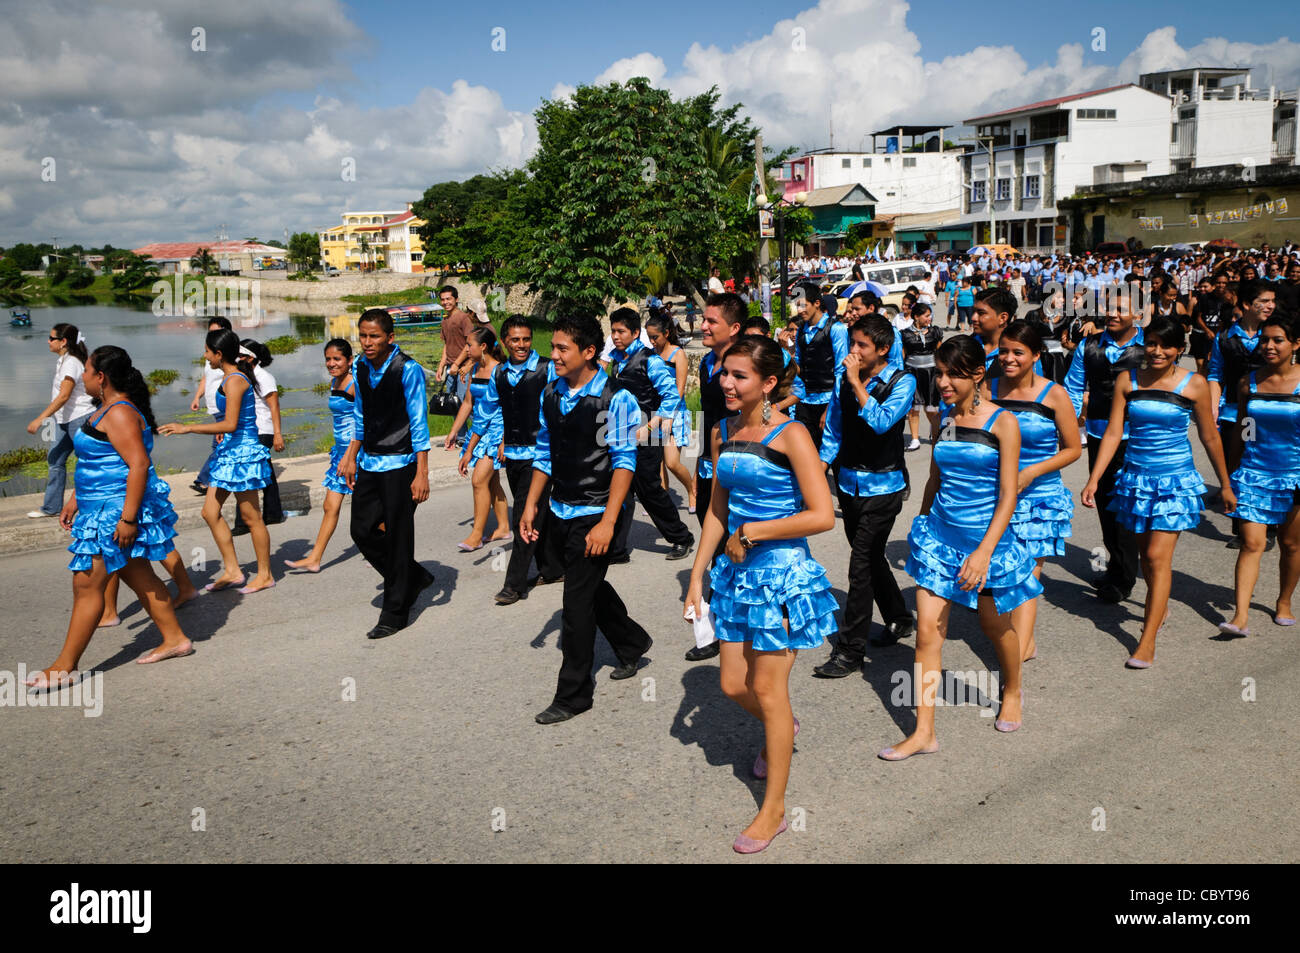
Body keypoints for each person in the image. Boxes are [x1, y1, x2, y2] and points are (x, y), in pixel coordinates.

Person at [684, 334, 836, 853]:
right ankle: (782, 725)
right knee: (731, 685)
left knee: (769, 691)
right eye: (724, 372)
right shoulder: (725, 428)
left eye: (739, 375)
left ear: (768, 383)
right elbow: (716, 510)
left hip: (782, 575)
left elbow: (822, 515)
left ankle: (772, 812)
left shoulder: (793, 434)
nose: (725, 382)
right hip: (733, 576)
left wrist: (755, 533)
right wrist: (697, 574)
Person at [882, 335, 1039, 760]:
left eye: (952, 373)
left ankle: (1013, 689)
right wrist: (921, 520)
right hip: (941, 540)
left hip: (986, 544)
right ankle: (924, 732)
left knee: (995, 627)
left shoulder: (1002, 422)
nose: (942, 381)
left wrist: (985, 552)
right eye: (939, 372)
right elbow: (935, 477)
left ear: (976, 374)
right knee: (928, 635)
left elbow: (1008, 494)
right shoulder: (946, 419)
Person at [26, 346, 193, 688]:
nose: (83, 378)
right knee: (139, 575)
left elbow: (138, 465)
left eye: (86, 372)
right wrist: (75, 498)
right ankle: (175, 639)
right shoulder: (107, 409)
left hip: (112, 513)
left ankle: (63, 667)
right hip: (97, 506)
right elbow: (95, 462)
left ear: (100, 377)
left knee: (86, 586)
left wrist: (129, 520)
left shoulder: (118, 413)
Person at [520, 314, 653, 724]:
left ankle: (574, 694)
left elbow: (624, 462)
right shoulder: (552, 394)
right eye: (553, 347)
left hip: (597, 512)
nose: (554, 355)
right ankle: (631, 642)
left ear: (589, 353)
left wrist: (609, 523)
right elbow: (544, 451)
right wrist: (530, 504)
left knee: (575, 609)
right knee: (588, 587)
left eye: (563, 349)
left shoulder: (616, 399)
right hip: (561, 507)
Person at [1083, 316, 1234, 667]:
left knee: (1155, 558)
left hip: (1175, 482)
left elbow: (1209, 437)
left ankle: (1147, 639)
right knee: (1147, 558)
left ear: (1180, 350)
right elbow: (1112, 433)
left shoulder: (1194, 384)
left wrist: (1225, 484)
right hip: (1134, 480)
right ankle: (1158, 607)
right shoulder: (1127, 379)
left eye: (1166, 345)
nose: (1156, 351)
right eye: (1151, 343)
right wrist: (1094, 479)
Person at [815, 315, 916, 677]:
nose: (853, 351)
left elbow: (881, 421)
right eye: (852, 343)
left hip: (883, 489)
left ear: (883, 349)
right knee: (871, 559)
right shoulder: (845, 379)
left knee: (859, 568)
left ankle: (850, 651)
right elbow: (835, 429)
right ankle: (900, 617)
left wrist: (857, 382)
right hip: (848, 484)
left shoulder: (903, 381)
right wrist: (818, 470)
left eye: (862, 346)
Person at [335, 309, 434, 640]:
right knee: (361, 530)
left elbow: (419, 424)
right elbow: (360, 415)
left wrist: (422, 473)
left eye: (374, 336)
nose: (367, 342)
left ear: (390, 338)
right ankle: (412, 575)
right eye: (363, 335)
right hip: (369, 461)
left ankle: (395, 611)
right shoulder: (360, 367)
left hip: (402, 464)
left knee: (398, 536)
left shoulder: (408, 369)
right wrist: (350, 456)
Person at [985, 321, 1081, 662]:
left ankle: (1018, 661)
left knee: (1026, 575)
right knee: (1005, 575)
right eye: (1004, 351)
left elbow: (1072, 449)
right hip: (994, 497)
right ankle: (1017, 642)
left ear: (1036, 356)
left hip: (1039, 498)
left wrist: (1032, 471)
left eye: (1018, 352)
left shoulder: (1053, 393)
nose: (1009, 358)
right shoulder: (987, 388)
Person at [159, 330, 274, 595]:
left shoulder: (235, 380)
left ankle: (265, 574)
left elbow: (232, 423)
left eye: (208, 351)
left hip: (243, 453)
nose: (205, 355)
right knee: (209, 512)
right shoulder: (229, 376)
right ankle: (233, 570)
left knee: (251, 516)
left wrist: (187, 428)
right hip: (228, 451)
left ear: (219, 354)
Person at [474, 315, 563, 606]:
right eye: (515, 339)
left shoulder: (547, 368)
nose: (521, 345)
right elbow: (486, 410)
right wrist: (469, 447)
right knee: (537, 514)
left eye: (526, 339)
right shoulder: (499, 374)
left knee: (522, 516)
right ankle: (552, 569)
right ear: (504, 342)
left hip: (542, 455)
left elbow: (563, 403)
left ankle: (513, 585)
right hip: (512, 455)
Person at [1221, 312, 1300, 634]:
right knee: (1251, 543)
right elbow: (1245, 429)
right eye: (1265, 339)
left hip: (1295, 475)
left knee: (1291, 544)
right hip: (1254, 473)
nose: (1268, 346)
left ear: (1296, 344)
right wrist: (1229, 477)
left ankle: (1283, 601)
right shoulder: (1248, 382)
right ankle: (1240, 615)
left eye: (1277, 340)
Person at [1065, 297, 1145, 604]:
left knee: (1127, 504)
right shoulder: (1090, 345)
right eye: (1109, 308)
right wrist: (1071, 426)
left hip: (1136, 437)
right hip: (1099, 433)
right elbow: (1073, 386)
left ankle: (1124, 577)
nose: (1112, 314)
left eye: (1120, 309)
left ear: (1137, 314)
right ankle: (1116, 566)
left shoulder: (1150, 347)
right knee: (1104, 501)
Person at [606, 308, 695, 562]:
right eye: (613, 331)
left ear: (635, 333)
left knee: (649, 490)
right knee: (621, 491)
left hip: (647, 434)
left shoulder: (650, 361)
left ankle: (681, 537)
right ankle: (617, 549)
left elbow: (670, 395)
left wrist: (652, 424)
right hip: (621, 434)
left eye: (621, 331)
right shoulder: (616, 359)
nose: (616, 336)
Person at [685, 293, 746, 662]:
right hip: (709, 465)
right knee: (712, 542)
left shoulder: (746, 364)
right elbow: (702, 417)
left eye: (711, 322)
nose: (703, 326)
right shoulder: (707, 361)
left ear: (734, 328)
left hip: (738, 468)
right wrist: (694, 468)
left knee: (733, 545)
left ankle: (724, 629)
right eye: (703, 320)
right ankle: (720, 622)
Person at [284, 339, 355, 573]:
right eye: (328, 359)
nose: (331, 364)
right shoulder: (335, 381)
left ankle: (388, 550)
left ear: (349, 360)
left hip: (357, 455)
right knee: (329, 506)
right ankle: (315, 558)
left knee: (373, 508)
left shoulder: (356, 384)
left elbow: (364, 422)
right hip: (340, 454)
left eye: (337, 359)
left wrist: (351, 456)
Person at [1208, 280, 1271, 535]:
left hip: (1268, 414)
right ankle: (1240, 523)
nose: (1270, 306)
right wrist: (1214, 408)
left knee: (1263, 464)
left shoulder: (1275, 335)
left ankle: (1269, 523)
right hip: (1237, 414)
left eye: (1272, 301)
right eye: (1264, 301)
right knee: (1237, 464)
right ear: (1247, 305)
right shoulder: (1225, 338)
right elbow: (1216, 374)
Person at [446, 326, 512, 552]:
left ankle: (477, 534)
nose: (466, 349)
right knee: (491, 482)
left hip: (496, 432)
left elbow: (509, 407)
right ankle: (503, 527)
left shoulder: (500, 371)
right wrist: (454, 431)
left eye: (469, 345)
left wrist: (505, 440)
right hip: (480, 430)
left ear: (483, 347)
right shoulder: (475, 368)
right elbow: (467, 403)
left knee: (478, 480)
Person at [26, 323, 96, 520]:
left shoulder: (72, 362)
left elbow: (64, 395)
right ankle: (51, 507)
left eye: (51, 338)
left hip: (80, 418)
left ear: (63, 342)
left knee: (89, 461)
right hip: (63, 420)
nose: (48, 342)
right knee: (55, 459)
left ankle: (93, 502)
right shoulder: (63, 360)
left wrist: (40, 419)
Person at [784, 281, 848, 449]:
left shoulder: (836, 329)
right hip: (805, 401)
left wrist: (831, 409)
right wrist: (784, 352)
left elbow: (842, 372)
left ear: (817, 303)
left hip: (829, 400)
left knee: (834, 455)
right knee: (808, 454)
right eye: (797, 306)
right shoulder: (800, 332)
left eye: (803, 305)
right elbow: (798, 367)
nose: (800, 311)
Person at [645, 311, 697, 513]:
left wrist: (666, 416)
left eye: (655, 337)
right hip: (654, 413)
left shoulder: (678, 354)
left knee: (672, 462)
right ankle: (662, 501)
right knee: (657, 464)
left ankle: (692, 491)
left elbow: (680, 390)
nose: (652, 341)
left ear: (666, 333)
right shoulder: (651, 355)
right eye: (649, 337)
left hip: (674, 415)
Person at [231, 338, 285, 535]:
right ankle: (273, 513)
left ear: (252, 358)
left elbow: (274, 406)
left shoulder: (264, 377)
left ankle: (244, 522)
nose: (238, 359)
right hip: (249, 430)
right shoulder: (242, 376)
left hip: (263, 430)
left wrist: (278, 434)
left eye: (242, 356)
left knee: (247, 471)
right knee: (265, 472)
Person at [188, 316, 233, 494]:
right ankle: (214, 479)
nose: (212, 335)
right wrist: (197, 397)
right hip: (214, 406)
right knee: (221, 444)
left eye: (216, 332)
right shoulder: (211, 355)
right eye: (210, 332)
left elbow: (230, 382)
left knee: (219, 444)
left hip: (225, 406)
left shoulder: (228, 357)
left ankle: (205, 480)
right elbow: (206, 378)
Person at [900, 301, 944, 449]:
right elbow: (903, 356)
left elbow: (941, 353)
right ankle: (915, 439)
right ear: (917, 317)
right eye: (926, 316)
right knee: (914, 407)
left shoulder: (935, 332)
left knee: (931, 407)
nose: (929, 318)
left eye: (930, 315)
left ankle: (937, 431)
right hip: (913, 373)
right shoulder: (905, 334)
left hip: (931, 373)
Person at [436, 286, 474, 448]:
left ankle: (486, 431)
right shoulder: (445, 321)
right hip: (451, 367)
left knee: (465, 402)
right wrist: (441, 366)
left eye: (448, 299)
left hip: (463, 367)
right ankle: (462, 436)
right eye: (443, 299)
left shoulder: (463, 319)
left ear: (456, 299)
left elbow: (470, 344)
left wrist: (458, 364)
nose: (446, 302)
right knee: (453, 404)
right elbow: (447, 345)